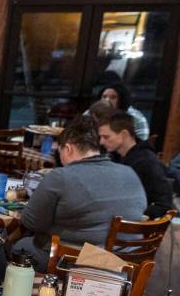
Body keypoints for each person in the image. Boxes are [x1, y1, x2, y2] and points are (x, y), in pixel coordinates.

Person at [16, 115, 146, 269]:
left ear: (68, 149)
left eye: (60, 151)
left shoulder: (60, 177)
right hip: (124, 265)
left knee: (20, 245)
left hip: (76, 263)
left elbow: (31, 222)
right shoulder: (130, 172)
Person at [98, 111, 175, 219]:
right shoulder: (113, 158)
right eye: (100, 137)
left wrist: (134, 216)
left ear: (124, 134)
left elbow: (164, 204)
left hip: (131, 225)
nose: (101, 142)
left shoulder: (147, 161)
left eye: (106, 137)